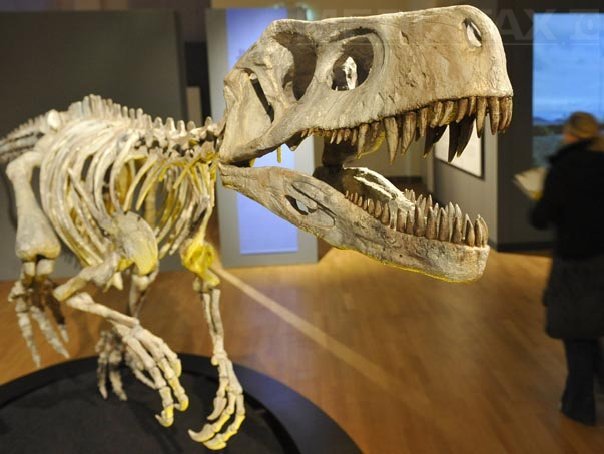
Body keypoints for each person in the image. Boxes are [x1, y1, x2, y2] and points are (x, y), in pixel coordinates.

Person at [530, 111, 604, 425]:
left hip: (574, 263)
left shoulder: (563, 168)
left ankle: (579, 405)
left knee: (576, 333)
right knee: (593, 326)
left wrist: (540, 198)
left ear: (570, 133)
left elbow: (539, 218)